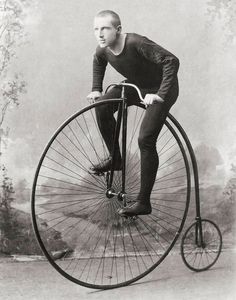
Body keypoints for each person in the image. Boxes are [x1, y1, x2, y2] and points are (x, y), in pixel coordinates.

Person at [87, 10, 179, 217]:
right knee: (102, 104)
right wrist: (96, 88)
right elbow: (98, 60)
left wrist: (160, 94)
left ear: (118, 30)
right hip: (138, 86)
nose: (99, 34)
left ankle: (143, 203)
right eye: (96, 29)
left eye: (105, 28)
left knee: (145, 139)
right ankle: (116, 158)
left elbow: (171, 61)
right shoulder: (103, 49)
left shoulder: (136, 43)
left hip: (162, 88)